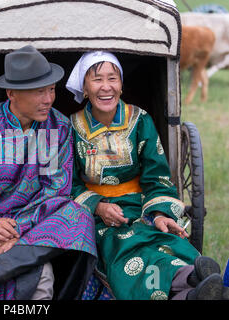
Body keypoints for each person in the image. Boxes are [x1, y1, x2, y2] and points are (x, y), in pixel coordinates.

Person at [66, 50, 228, 300]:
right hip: (97, 218)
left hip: (142, 207)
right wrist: (98, 207)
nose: (106, 87)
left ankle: (193, 278)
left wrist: (160, 213)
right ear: (84, 87)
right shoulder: (71, 127)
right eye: (97, 79)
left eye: (113, 78)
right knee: (127, 248)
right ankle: (189, 292)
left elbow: (157, 177)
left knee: (165, 239)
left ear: (121, 85)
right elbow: (68, 183)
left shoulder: (140, 121)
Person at [0, 45, 97, 300]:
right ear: (11, 92)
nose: (48, 99)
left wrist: (16, 233)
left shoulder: (58, 127)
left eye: (51, 89)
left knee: (79, 216)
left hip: (33, 227)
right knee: (35, 274)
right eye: (39, 92)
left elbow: (55, 191)